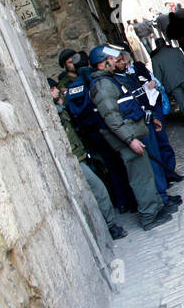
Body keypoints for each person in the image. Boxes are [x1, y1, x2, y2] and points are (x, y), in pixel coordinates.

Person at [87, 44, 176, 231]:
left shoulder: (109, 81)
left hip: (134, 134)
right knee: (140, 178)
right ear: (102, 63)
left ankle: (157, 207)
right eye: (111, 59)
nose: (116, 61)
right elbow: (111, 118)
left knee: (145, 173)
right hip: (128, 139)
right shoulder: (103, 86)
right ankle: (149, 217)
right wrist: (129, 139)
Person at [56, 48, 135, 215]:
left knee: (111, 166)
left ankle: (122, 201)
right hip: (105, 127)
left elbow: (72, 109)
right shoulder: (93, 78)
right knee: (122, 162)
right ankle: (132, 199)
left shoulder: (72, 88)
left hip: (91, 132)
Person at [48, 78, 126, 240]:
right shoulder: (53, 115)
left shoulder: (61, 110)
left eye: (56, 88)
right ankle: (110, 226)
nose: (56, 91)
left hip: (81, 155)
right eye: (52, 89)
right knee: (99, 190)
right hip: (76, 159)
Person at [152, 41, 184, 127]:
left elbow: (157, 76)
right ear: (165, 44)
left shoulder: (156, 59)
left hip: (171, 83)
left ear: (157, 47)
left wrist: (159, 89)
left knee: (182, 102)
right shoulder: (176, 50)